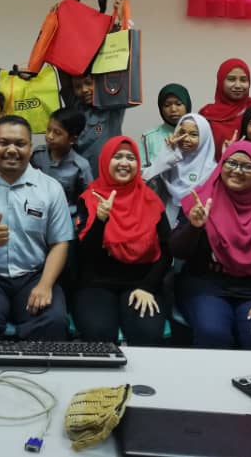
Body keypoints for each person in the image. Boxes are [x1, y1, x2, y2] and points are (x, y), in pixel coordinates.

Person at [167, 142, 251, 351]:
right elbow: (177, 251)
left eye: (247, 166)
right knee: (213, 334)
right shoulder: (200, 200)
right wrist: (194, 227)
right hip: (205, 284)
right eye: (231, 163)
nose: (237, 170)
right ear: (221, 164)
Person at [0, 116, 74, 340]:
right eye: (4, 143)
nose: (12, 150)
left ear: (30, 148)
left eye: (20, 144)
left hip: (34, 276)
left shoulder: (50, 188)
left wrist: (45, 285)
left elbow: (60, 243)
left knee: (53, 322)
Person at [74, 137, 171, 345]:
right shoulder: (90, 198)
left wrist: (148, 286)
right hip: (96, 283)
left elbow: (166, 250)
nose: (124, 163)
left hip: (141, 283)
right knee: (99, 334)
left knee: (147, 334)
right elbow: (84, 254)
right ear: (105, 161)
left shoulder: (151, 200)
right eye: (117, 157)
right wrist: (100, 220)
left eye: (131, 158)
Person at [142, 113, 216, 225]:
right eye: (182, 133)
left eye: (193, 134)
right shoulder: (171, 161)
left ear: (204, 138)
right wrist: (166, 153)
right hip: (165, 224)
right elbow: (144, 180)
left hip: (197, 226)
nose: (186, 139)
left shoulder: (213, 170)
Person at [198, 59, 251, 157]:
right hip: (214, 166)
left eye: (243, 80)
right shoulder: (207, 113)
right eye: (231, 79)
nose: (238, 85)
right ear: (221, 81)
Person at [31, 107, 94, 213]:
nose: (50, 136)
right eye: (48, 130)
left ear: (72, 139)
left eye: (57, 133)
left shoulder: (81, 166)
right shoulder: (37, 155)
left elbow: (89, 198)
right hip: (37, 212)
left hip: (66, 215)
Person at [69, 74, 126, 175]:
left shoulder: (112, 105)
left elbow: (117, 73)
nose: (84, 90)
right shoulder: (75, 106)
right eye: (77, 87)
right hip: (80, 177)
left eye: (88, 83)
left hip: (107, 176)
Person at [141, 83, 191, 165]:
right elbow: (142, 171)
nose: (173, 109)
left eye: (178, 104)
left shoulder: (199, 134)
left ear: (187, 105)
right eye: (167, 105)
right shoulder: (149, 138)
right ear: (161, 109)